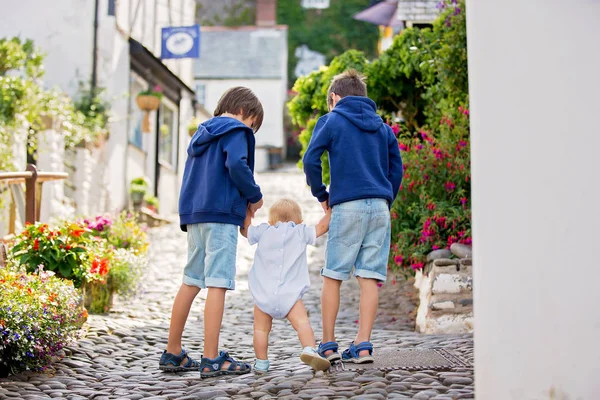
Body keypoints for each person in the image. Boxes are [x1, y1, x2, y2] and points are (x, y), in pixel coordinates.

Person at [159, 87, 264, 378]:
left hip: (195, 216)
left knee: (191, 280)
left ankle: (173, 351)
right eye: (253, 125)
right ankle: (211, 357)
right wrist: (254, 197)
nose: (251, 130)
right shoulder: (237, 130)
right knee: (217, 282)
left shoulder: (201, 133)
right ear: (246, 112)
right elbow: (236, 165)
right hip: (220, 216)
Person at [302, 69, 404, 364]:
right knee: (369, 277)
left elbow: (311, 159)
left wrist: (322, 195)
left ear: (334, 98)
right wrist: (386, 198)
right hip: (379, 206)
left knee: (333, 275)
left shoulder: (331, 120)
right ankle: (363, 345)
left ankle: (329, 345)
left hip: (347, 205)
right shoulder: (382, 127)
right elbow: (396, 168)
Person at [241, 198, 332, 373]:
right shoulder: (300, 231)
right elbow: (321, 227)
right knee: (302, 323)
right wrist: (330, 211)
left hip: (263, 294)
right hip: (290, 295)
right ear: (300, 222)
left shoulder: (263, 231)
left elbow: (246, 230)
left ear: (271, 221)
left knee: (260, 330)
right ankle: (309, 349)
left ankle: (261, 362)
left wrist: (248, 211)